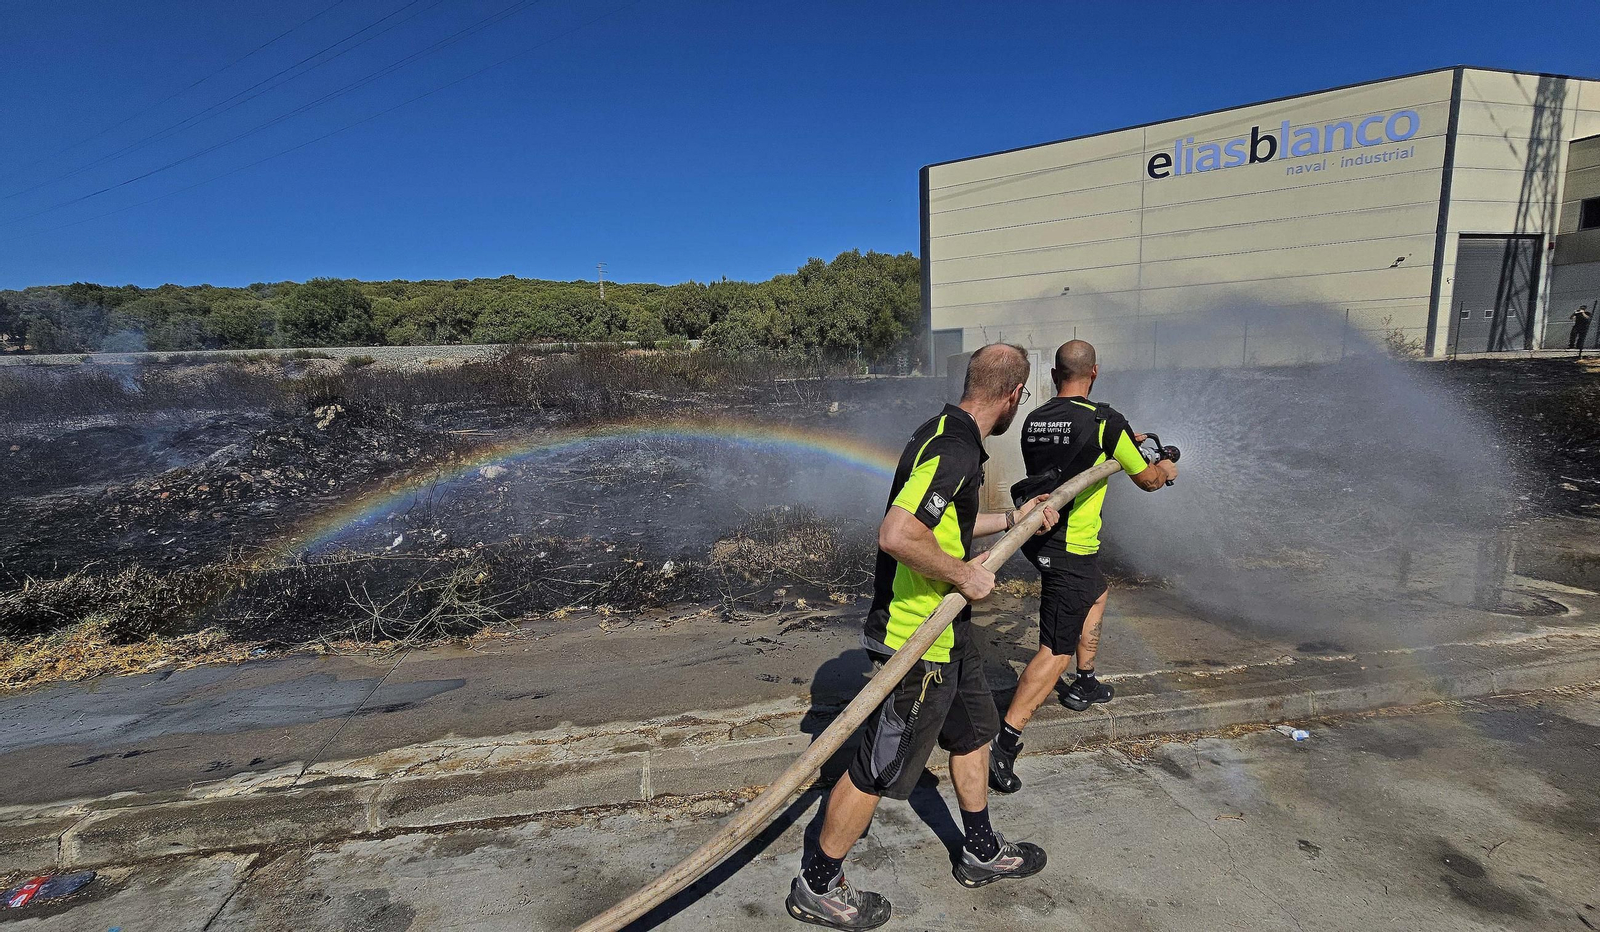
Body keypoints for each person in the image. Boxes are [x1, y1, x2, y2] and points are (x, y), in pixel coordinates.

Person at [786, 343, 1060, 930]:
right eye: (1022, 397)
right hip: (917, 645)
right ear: (1015, 396)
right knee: (877, 770)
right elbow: (899, 533)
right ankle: (817, 883)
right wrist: (967, 574)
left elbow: (946, 524)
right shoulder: (955, 449)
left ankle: (980, 851)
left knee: (974, 735)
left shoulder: (942, 432)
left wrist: (1015, 519)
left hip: (949, 637)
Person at [988, 340, 1177, 796]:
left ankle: (1085, 683)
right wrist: (1165, 467)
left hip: (1041, 535)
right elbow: (1148, 480)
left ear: (1054, 376)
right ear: (1094, 372)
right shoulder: (1104, 421)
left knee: (1097, 591)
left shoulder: (1035, 420)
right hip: (1068, 546)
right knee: (1054, 648)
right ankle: (1004, 745)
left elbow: (1066, 456)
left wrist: (1122, 444)